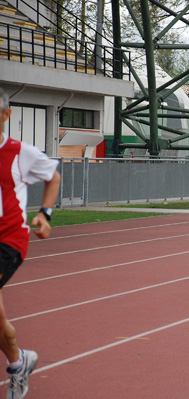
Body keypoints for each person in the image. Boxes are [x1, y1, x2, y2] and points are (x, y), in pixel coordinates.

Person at [0, 87, 60, 399]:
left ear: (6, 116)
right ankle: (19, 363)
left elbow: (53, 176)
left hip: (9, 240)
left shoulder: (20, 152)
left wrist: (45, 214)